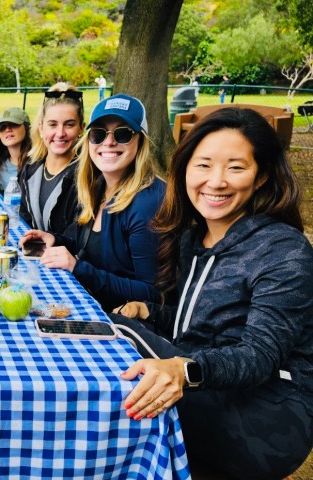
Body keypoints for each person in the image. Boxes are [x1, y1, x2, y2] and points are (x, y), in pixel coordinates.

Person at [112, 108, 313, 479]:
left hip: (268, 415)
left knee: (114, 395)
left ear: (262, 175)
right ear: (185, 169)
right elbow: (199, 325)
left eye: (236, 167)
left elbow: (259, 355)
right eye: (203, 165)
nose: (216, 181)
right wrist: (150, 313)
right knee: (118, 339)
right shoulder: (194, 238)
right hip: (205, 387)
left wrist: (183, 369)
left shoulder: (284, 250)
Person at [20, 94, 165, 312]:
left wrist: (78, 268)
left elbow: (152, 293)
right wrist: (53, 239)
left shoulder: (147, 202)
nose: (109, 142)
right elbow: (82, 242)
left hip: (118, 323)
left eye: (123, 134)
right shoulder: (96, 187)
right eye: (98, 134)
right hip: (87, 304)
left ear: (141, 140)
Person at [18, 83, 84, 235]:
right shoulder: (30, 169)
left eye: (69, 124)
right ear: (41, 129)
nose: (60, 133)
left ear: (81, 128)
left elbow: (80, 235)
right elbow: (23, 217)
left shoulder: (87, 176)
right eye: (52, 124)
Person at [0, 107, 32, 194]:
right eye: (2, 127)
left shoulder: (38, 164)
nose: (8, 129)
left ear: (27, 128)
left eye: (13, 124)